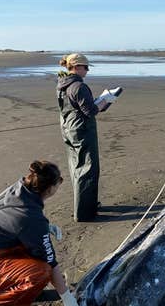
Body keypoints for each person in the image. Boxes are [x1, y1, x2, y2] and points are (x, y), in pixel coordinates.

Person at [0, 160, 77, 306]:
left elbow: (11, 221)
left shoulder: (19, 190)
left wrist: (45, 228)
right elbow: (51, 261)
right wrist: (67, 297)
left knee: (33, 250)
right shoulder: (30, 217)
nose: (60, 183)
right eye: (59, 181)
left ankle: (24, 291)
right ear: (50, 189)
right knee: (42, 272)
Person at [56, 53, 115, 222]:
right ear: (76, 67)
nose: (87, 71)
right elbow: (90, 111)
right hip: (81, 130)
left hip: (68, 128)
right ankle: (84, 212)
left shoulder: (62, 83)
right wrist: (106, 101)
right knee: (88, 169)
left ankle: (86, 205)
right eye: (85, 67)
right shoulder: (78, 86)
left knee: (77, 168)